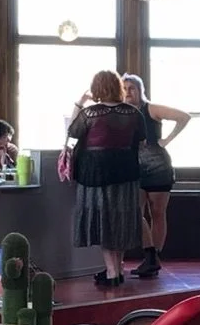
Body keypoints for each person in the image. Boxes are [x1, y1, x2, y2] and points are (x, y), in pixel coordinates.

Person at [63, 71, 147, 287]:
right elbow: (141, 142)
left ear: (97, 88)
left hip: (96, 174)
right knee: (120, 221)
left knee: (104, 221)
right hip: (126, 174)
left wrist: (79, 103)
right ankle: (118, 268)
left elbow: (72, 132)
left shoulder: (90, 113)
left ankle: (112, 272)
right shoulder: (134, 113)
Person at [121, 73, 191, 278]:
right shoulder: (122, 111)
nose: (128, 92)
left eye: (131, 88)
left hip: (158, 166)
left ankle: (154, 258)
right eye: (124, 88)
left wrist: (167, 139)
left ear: (140, 90)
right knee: (135, 211)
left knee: (157, 213)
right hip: (133, 168)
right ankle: (149, 254)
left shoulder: (150, 108)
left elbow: (183, 116)